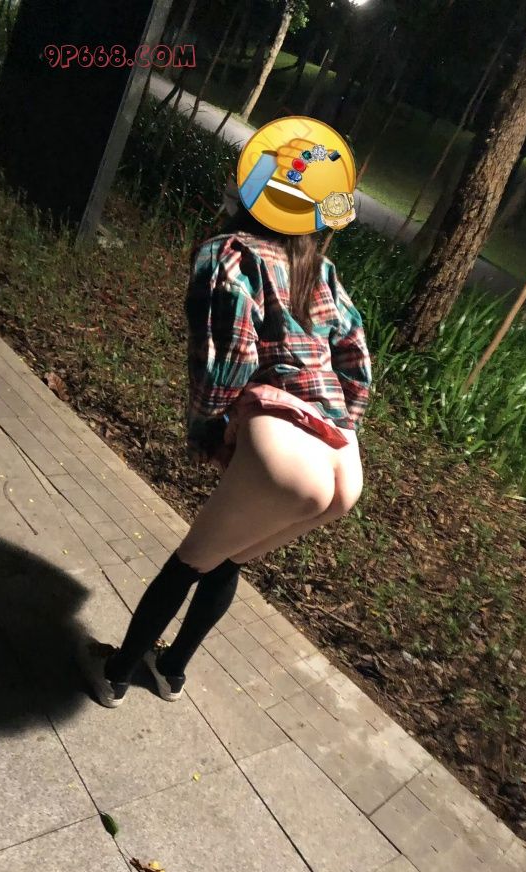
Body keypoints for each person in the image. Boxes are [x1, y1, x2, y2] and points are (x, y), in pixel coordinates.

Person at [81, 202, 372, 708]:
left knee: (190, 560)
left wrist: (206, 429)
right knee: (230, 555)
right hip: (344, 462)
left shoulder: (231, 254)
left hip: (282, 442)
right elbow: (357, 363)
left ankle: (115, 676)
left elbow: (229, 357)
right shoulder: (320, 269)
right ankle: (171, 671)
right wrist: (343, 425)